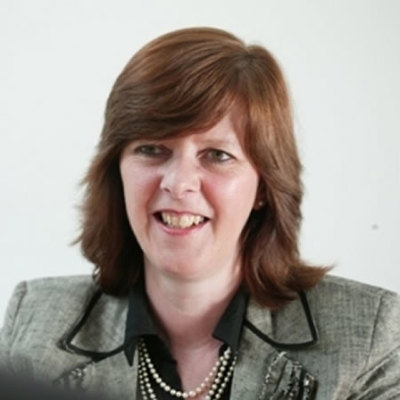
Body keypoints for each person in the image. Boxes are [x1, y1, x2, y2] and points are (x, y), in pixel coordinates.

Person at [0, 27, 399, 400]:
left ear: (264, 186)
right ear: (116, 171)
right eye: (152, 149)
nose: (179, 183)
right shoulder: (34, 324)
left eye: (217, 155)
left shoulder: (367, 339)